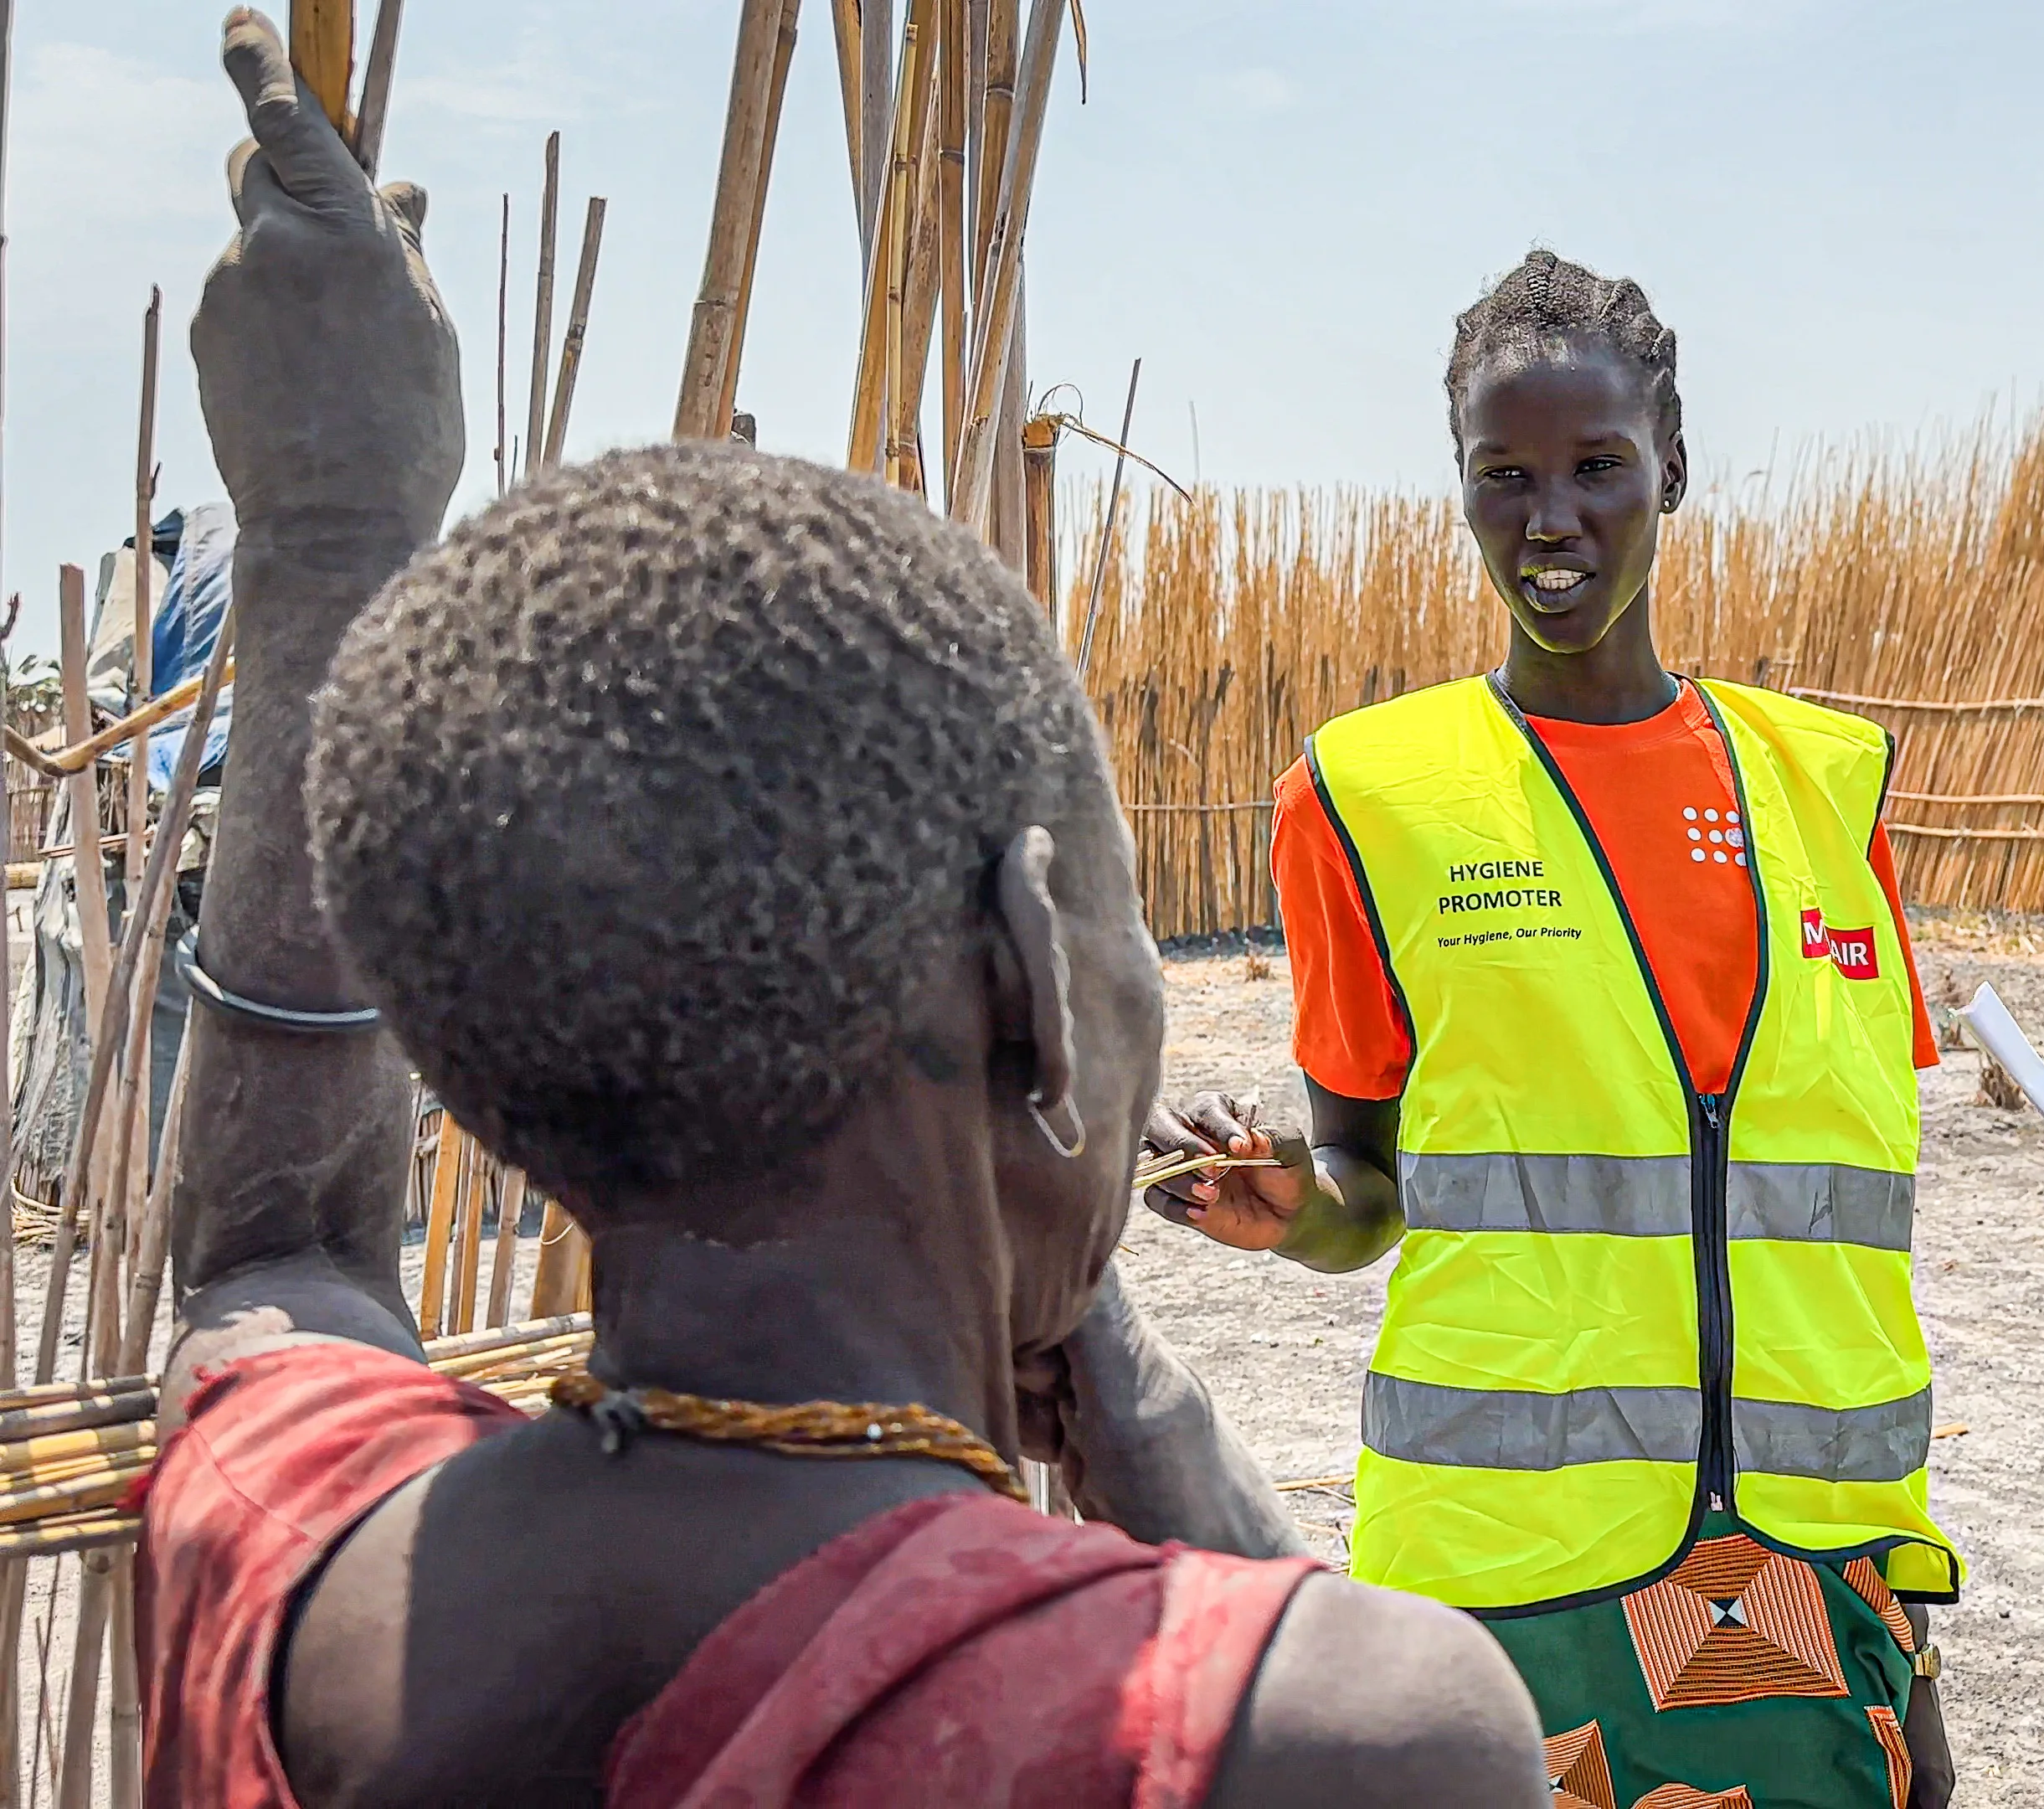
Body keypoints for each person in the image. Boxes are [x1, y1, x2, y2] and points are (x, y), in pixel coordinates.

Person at [136, 14, 1548, 1806]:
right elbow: (1298, 1702)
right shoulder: (1320, 1731)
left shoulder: (291, 1558)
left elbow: (279, 1265)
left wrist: (333, 528)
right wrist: (1136, 1392)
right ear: (1036, 972)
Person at [1142, 251, 1959, 1809]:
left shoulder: (1825, 789)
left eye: (1599, 468)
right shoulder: (1369, 795)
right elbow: (1364, 1188)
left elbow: (1823, 1202)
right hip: (1502, 1581)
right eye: (1503, 475)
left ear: (1674, 467)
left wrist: (1905, 1633)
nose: (1552, 518)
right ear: (1457, 487)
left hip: (1819, 1554)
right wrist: (1292, 1212)